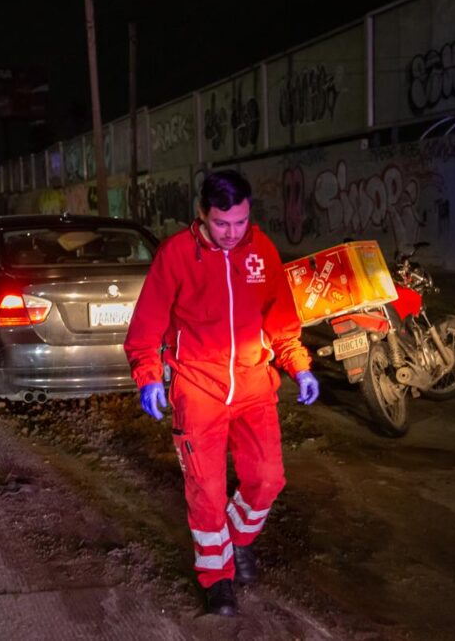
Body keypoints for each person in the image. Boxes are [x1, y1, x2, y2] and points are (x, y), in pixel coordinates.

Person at [123, 170, 320, 617]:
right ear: (202, 215)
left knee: (268, 479)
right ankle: (217, 579)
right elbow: (145, 329)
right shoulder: (176, 255)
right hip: (197, 388)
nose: (232, 234)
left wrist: (300, 367)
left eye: (240, 222)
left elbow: (282, 322)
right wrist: (149, 376)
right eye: (221, 224)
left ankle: (238, 542)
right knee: (207, 491)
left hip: (253, 385)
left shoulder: (262, 250)